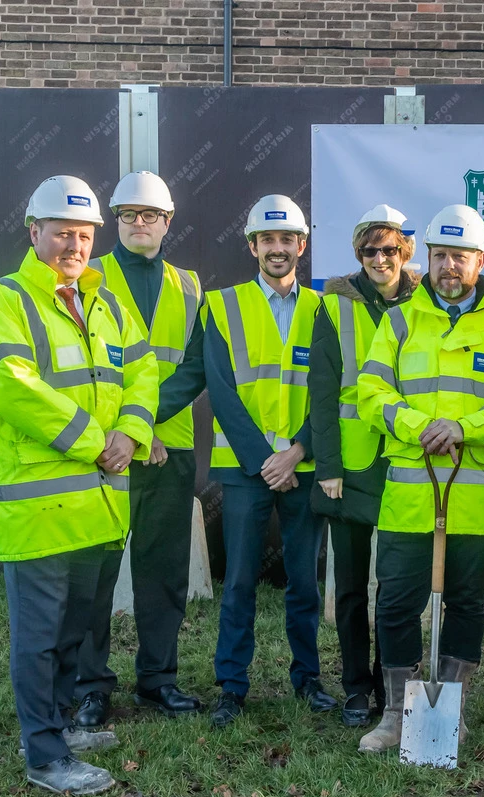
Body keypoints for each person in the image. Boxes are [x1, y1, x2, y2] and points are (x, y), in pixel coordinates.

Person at [0, 175, 158, 794]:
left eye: (83, 235)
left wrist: (132, 432)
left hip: (98, 505)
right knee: (40, 636)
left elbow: (143, 370)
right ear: (34, 233)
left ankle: (62, 724)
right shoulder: (2, 301)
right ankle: (45, 755)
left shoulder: (108, 305)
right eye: (62, 233)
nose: (74, 246)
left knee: (77, 629)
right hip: (40, 508)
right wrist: (95, 441)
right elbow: (11, 386)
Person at [353, 204, 484, 753]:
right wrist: (420, 426)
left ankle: (450, 711)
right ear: (426, 256)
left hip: (476, 498)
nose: (449, 266)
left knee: (467, 605)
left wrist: (465, 428)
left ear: (481, 259)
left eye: (460, 256)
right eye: (441, 255)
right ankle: (396, 716)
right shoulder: (399, 321)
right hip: (409, 494)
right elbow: (371, 392)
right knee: (396, 602)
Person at [74, 171, 205, 725]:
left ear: (167, 221)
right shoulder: (88, 278)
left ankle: (158, 680)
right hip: (105, 450)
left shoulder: (190, 287)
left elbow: (195, 367)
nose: (139, 223)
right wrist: (128, 434)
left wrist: (144, 427)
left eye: (150, 215)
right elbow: (83, 368)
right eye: (128, 214)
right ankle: (90, 685)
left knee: (164, 572)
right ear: (116, 220)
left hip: (168, 450)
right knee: (95, 573)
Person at [205, 194, 337, 727]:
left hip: (303, 465)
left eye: (287, 239)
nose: (277, 248)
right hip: (247, 470)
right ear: (252, 246)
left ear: (301, 245)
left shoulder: (324, 308)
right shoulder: (222, 305)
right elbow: (221, 390)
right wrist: (267, 461)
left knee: (304, 582)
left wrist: (298, 451)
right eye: (267, 239)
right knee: (238, 582)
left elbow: (330, 390)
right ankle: (231, 687)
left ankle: (308, 679)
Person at [309, 204, 419, 727]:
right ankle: (356, 687)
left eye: (390, 249)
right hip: (350, 470)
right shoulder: (333, 307)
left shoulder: (425, 303)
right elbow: (321, 393)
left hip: (405, 462)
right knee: (351, 588)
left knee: (395, 588)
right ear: (358, 254)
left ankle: (389, 684)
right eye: (370, 251)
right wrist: (327, 466)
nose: (381, 259)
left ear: (405, 252)